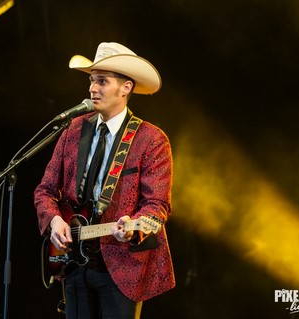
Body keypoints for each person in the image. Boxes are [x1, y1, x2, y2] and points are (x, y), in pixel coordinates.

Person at [34, 42, 175, 319]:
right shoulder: (73, 130)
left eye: (102, 81)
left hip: (123, 266)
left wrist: (134, 228)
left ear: (126, 88)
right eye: (91, 80)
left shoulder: (151, 139)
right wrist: (54, 220)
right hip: (73, 264)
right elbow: (45, 190)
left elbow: (158, 205)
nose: (92, 88)